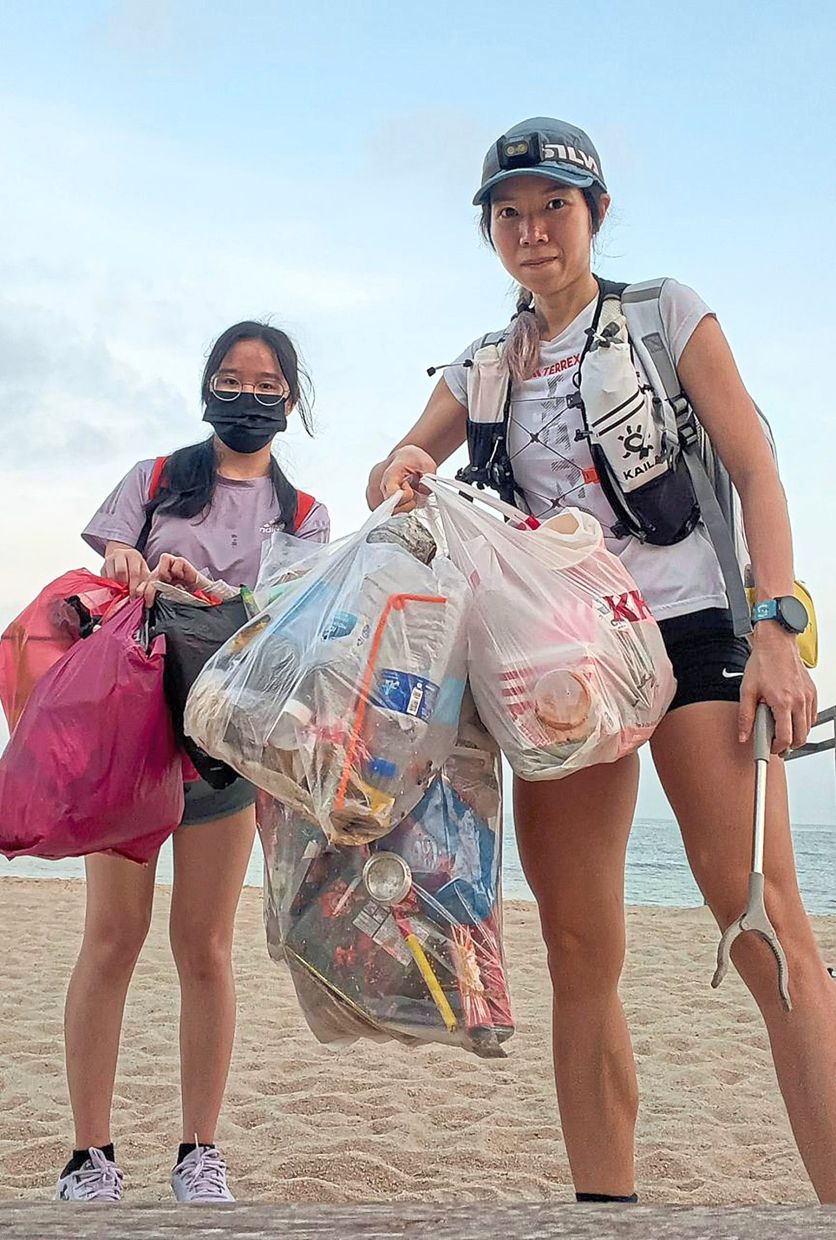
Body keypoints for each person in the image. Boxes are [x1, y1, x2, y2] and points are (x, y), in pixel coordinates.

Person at [367, 118, 836, 1203]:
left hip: (693, 631)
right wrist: (400, 462)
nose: (532, 232)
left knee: (759, 920)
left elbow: (755, 472)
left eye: (553, 209)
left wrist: (775, 629)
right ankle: (603, 1213)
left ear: (596, 214)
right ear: (489, 231)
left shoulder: (668, 312)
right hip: (562, 660)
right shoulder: (484, 362)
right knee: (578, 949)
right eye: (509, 214)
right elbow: (397, 460)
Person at [56, 321, 329, 1203]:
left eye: (267, 383)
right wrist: (131, 560)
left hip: (225, 746)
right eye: (230, 377)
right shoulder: (155, 480)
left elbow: (299, 628)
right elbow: (101, 579)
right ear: (205, 387)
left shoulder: (304, 516)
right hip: (131, 737)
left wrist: (219, 593)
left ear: (291, 398)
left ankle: (197, 1151)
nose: (247, 395)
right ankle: (88, 1155)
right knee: (111, 939)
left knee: (204, 948)